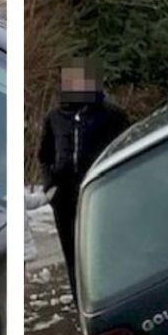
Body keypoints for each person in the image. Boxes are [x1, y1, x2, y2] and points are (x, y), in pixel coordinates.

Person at [38, 58, 129, 295]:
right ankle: (82, 303)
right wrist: (50, 188)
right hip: (64, 199)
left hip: (101, 196)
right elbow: (44, 156)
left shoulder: (112, 115)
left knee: (103, 252)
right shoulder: (55, 117)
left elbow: (125, 147)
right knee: (74, 257)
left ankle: (110, 296)